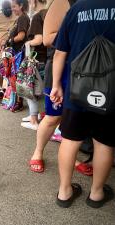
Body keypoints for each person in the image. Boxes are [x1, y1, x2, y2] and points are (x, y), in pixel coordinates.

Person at [50, 0, 115, 208]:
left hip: (77, 91)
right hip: (110, 90)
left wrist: (56, 85)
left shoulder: (76, 9)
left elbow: (60, 52)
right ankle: (96, 194)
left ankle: (64, 192)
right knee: (104, 142)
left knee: (70, 139)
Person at [28, 0, 93, 176]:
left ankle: (72, 158)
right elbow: (47, 38)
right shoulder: (63, 2)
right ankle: (38, 152)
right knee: (52, 117)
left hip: (88, 71)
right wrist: (81, 34)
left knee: (75, 118)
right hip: (61, 69)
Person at [20, 0, 48, 130]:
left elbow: (39, 40)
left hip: (37, 60)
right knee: (43, 90)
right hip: (47, 59)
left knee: (30, 90)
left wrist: (27, 43)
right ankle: (36, 116)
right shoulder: (50, 14)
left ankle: (33, 120)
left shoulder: (37, 17)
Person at [9, 0, 30, 112]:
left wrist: (9, 41)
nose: (12, 9)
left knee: (18, 77)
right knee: (17, 77)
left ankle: (19, 102)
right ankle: (18, 101)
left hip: (20, 53)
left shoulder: (22, 18)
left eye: (14, 6)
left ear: (21, 5)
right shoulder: (21, 17)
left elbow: (21, 36)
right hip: (18, 52)